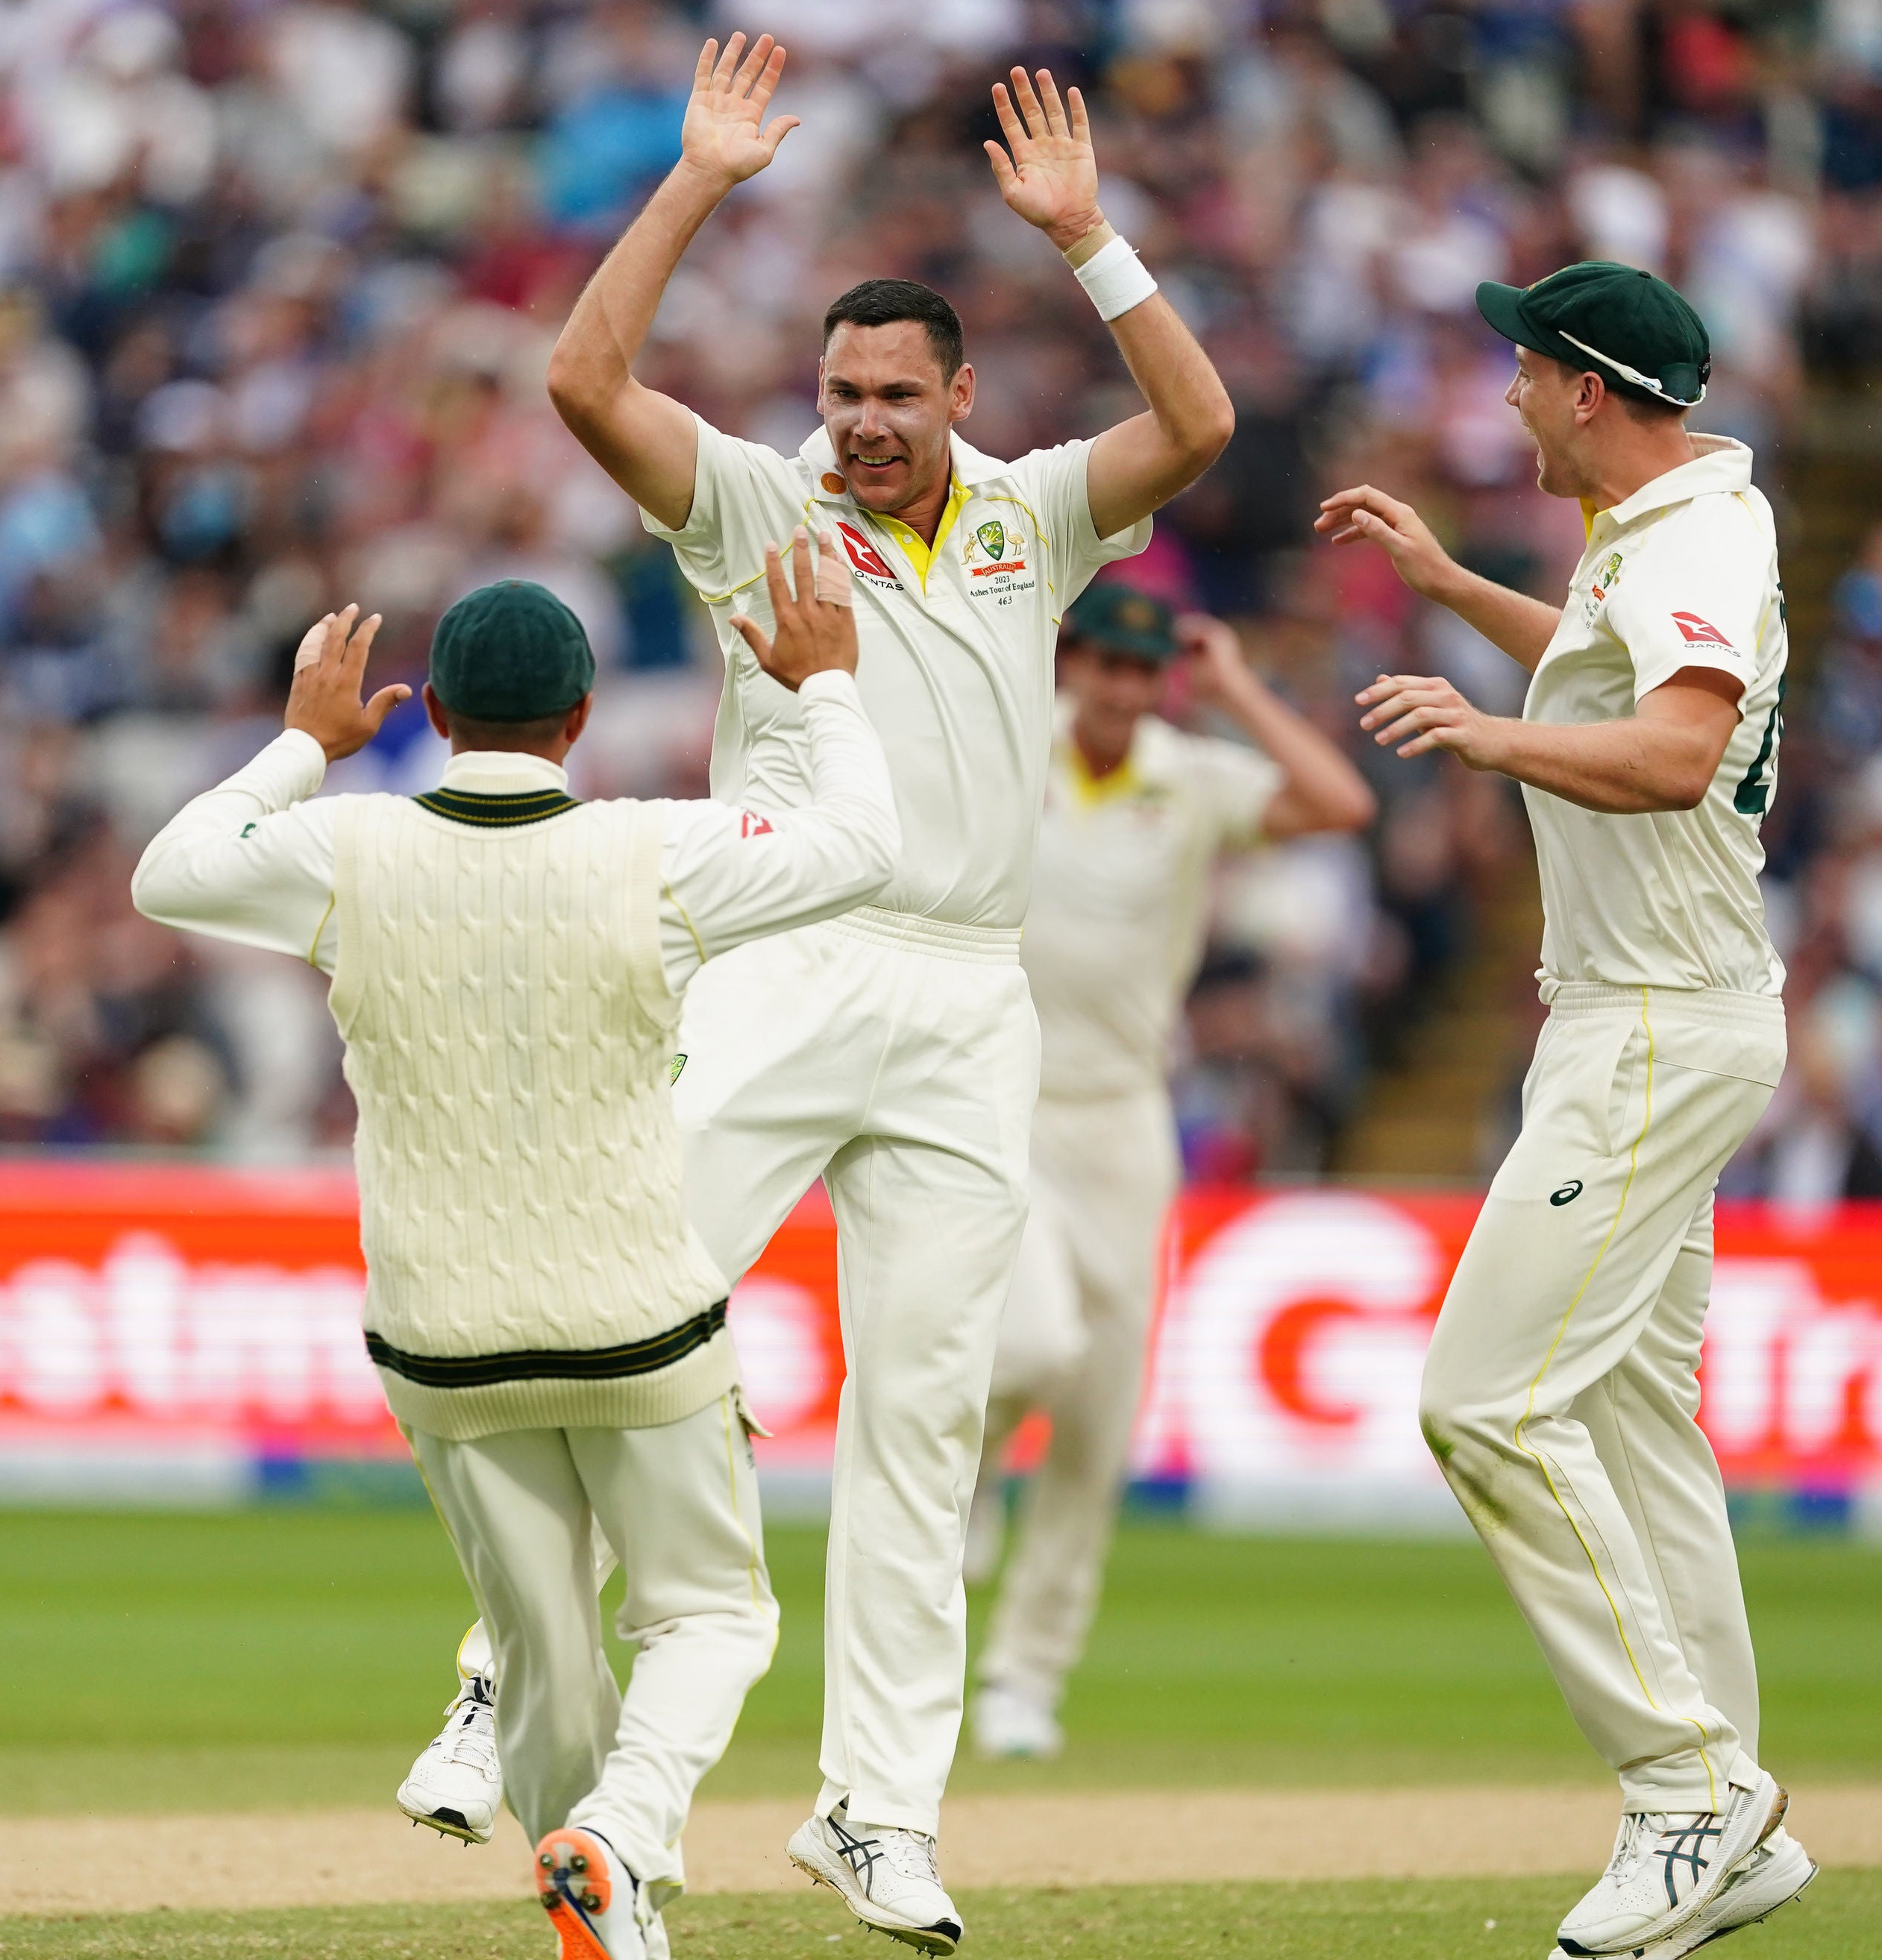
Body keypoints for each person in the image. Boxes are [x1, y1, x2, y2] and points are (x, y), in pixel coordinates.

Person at [495, 33, 1233, 1952]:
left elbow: (1203, 425)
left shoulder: (1034, 515)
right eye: (843, 394)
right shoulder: (759, 501)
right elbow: (582, 381)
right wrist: (695, 187)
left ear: (959, 395)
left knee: (924, 1420)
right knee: (617, 1307)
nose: (867, 424)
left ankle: (876, 1816)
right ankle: (505, 1683)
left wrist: (1091, 238)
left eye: (898, 394)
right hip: (786, 948)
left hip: (971, 997)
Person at [131, 554, 897, 1960]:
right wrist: (828, 684)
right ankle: (622, 1837)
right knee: (712, 1617)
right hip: (636, 1330)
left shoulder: (348, 850)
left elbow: (168, 873)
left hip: (440, 1346)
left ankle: (611, 1921)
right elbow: (865, 851)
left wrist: (305, 740)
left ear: (427, 708)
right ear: (581, 717)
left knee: (546, 1660)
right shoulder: (651, 848)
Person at [1317, 261, 1816, 1960]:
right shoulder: (1659, 532)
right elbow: (1602, 685)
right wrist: (1452, 588)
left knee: (1484, 1403)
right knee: (1626, 1424)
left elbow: (1671, 752)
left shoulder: (1687, 538)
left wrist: (1476, 742)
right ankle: (1721, 1804)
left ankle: (1685, 1794)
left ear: (1586, 388)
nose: (1507, 398)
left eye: (1522, 372)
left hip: (1656, 1029)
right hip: (1641, 1017)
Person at [962, 585, 1375, 1759]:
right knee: (1030, 1340)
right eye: (1104, 667)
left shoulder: (1188, 774)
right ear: (1073, 663)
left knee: (1099, 1421)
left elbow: (1339, 802)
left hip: (1126, 1122)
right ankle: (973, 1472)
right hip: (1002, 1101)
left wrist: (1238, 683)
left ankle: (1024, 1681)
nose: (1121, 691)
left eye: (1144, 674)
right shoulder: (1005, 741)